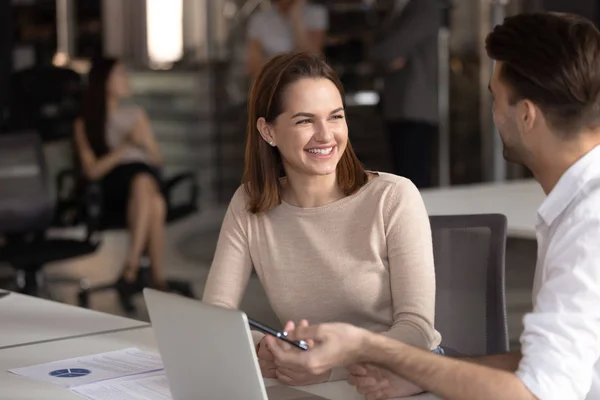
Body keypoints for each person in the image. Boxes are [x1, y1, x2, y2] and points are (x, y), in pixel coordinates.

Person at [266, 12, 600, 400]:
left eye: (495, 98)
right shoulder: (581, 207)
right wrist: (422, 374)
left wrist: (369, 346)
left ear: (526, 116)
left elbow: (534, 391)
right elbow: (549, 363)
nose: (494, 114)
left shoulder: (588, 226)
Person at [202, 52, 441, 386]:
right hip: (313, 385)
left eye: (335, 117)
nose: (326, 135)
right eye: (304, 121)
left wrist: (329, 368)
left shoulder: (393, 197)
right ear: (268, 131)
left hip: (397, 380)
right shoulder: (249, 203)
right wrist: (267, 350)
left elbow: (416, 330)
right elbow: (215, 317)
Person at [73, 57, 169, 292]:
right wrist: (126, 147)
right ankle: (156, 279)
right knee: (154, 202)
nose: (126, 80)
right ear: (105, 81)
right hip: (113, 186)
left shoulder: (136, 115)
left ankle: (131, 268)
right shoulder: (85, 124)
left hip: (143, 175)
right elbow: (92, 171)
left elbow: (157, 160)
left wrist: (144, 142)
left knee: (145, 182)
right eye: (120, 74)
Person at [372, 0, 441, 188]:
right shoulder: (394, 7)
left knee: (414, 178)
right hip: (396, 106)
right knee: (400, 177)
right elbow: (383, 52)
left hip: (415, 106)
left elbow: (390, 47)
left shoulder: (425, 6)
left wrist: (380, 54)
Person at [246, 0, 328, 78]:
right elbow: (254, 64)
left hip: (304, 81)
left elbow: (313, 56)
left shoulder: (316, 13)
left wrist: (296, 15)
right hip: (271, 81)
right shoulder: (260, 19)